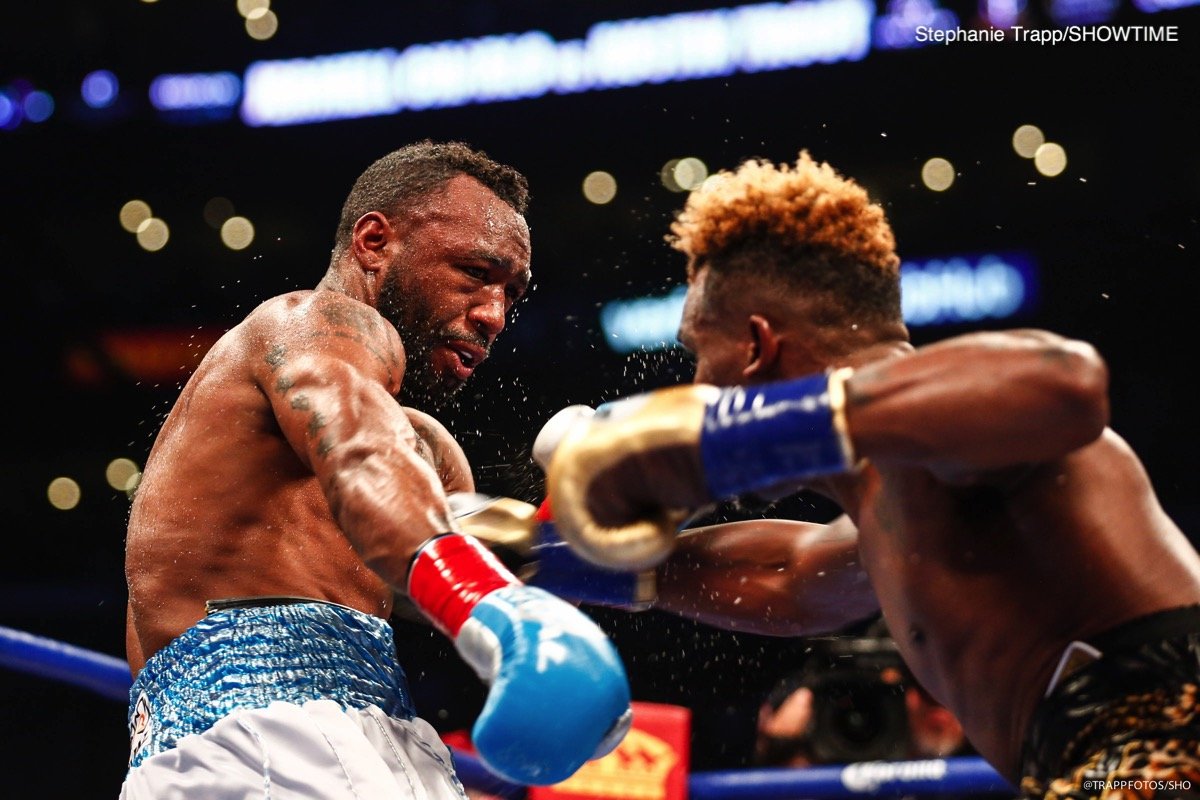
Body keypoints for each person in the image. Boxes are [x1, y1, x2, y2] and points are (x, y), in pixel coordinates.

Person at [538, 151, 1200, 798]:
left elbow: (1067, 383)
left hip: (1170, 736)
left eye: (697, 350)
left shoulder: (961, 438)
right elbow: (792, 575)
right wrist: (548, 561)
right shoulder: (895, 507)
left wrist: (728, 437)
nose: (694, 385)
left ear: (754, 346)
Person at [122, 140, 632, 799]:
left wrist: (600, 523)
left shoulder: (426, 451)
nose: (494, 314)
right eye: (475, 271)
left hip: (363, 740)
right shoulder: (306, 322)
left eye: (512, 292)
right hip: (265, 747)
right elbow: (363, 455)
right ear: (373, 242)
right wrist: (502, 609)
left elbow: (459, 554)